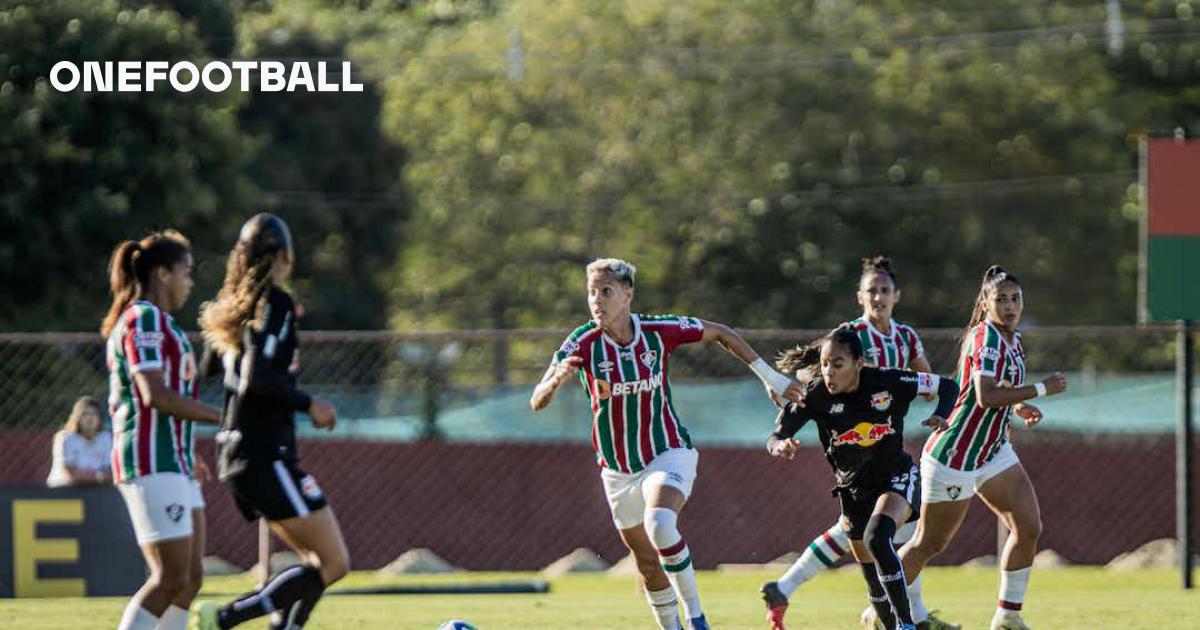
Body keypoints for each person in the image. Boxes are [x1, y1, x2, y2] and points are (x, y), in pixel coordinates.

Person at [530, 258, 804, 630]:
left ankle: (696, 619)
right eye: (592, 292)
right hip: (616, 470)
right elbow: (537, 400)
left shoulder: (659, 330)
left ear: (628, 295)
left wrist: (769, 377)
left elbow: (721, 332)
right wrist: (556, 380)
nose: (597, 300)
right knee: (645, 561)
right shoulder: (582, 341)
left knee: (659, 523)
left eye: (606, 291)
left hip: (667, 452)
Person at [760, 256, 958, 630]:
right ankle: (889, 614)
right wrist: (784, 427)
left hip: (889, 462)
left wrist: (934, 405)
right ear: (860, 296)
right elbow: (797, 403)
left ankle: (910, 620)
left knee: (882, 538)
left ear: (896, 295)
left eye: (885, 290)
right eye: (872, 290)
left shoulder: (901, 346)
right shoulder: (844, 341)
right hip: (852, 478)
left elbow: (938, 384)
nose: (878, 297)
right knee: (870, 556)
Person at [191, 213, 346, 630]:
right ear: (284, 254)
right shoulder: (273, 303)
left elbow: (206, 368)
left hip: (237, 457)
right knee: (334, 563)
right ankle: (224, 618)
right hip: (265, 455)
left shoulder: (236, 309)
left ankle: (283, 627)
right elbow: (254, 377)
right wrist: (308, 402)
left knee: (316, 563)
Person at [898, 266, 1068, 630]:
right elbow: (986, 395)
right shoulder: (986, 337)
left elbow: (997, 388)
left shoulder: (1014, 339)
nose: (1010, 306)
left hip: (992, 451)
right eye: (1001, 299)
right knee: (928, 545)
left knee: (1028, 526)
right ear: (986, 303)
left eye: (1015, 299)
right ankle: (884, 608)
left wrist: (1018, 405)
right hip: (956, 455)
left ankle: (1008, 617)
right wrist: (1041, 390)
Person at [101, 230, 222, 630]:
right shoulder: (144, 317)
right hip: (150, 459)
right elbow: (154, 395)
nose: (189, 282)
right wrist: (224, 418)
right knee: (169, 578)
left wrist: (189, 452)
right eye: (185, 272)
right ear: (163, 273)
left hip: (176, 460)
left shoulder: (164, 323)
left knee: (190, 579)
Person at [47, 396, 113, 487]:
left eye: (94, 414)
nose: (90, 418)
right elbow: (68, 473)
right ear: (77, 417)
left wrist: (96, 477)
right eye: (85, 414)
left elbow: (109, 471)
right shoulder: (65, 438)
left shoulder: (106, 437)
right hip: (64, 490)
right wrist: (94, 476)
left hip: (98, 489)